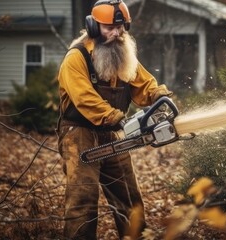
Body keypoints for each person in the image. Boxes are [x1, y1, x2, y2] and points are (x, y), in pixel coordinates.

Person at [56, 0, 172, 239]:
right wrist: (114, 117)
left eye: (120, 27)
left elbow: (144, 84)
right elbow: (84, 98)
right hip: (80, 133)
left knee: (129, 198)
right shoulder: (76, 58)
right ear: (93, 26)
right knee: (83, 200)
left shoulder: (123, 55)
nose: (117, 33)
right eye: (110, 27)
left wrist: (159, 96)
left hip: (114, 132)